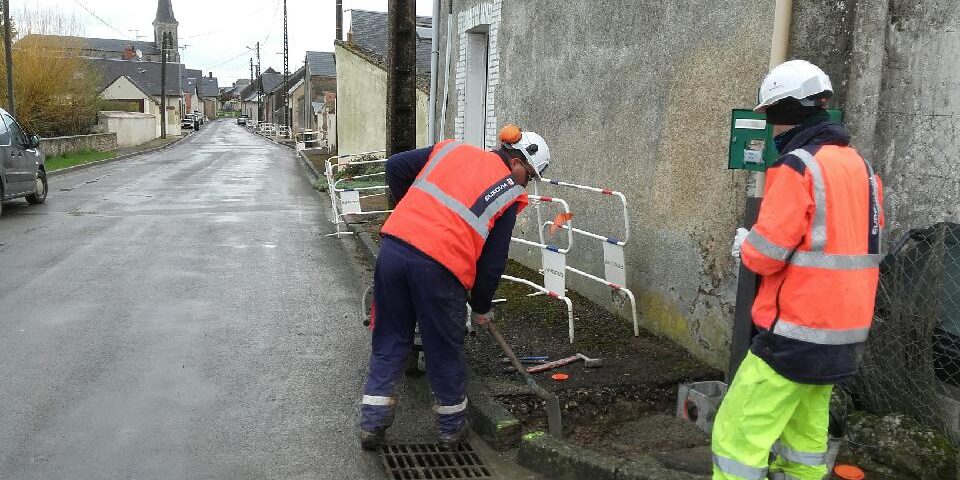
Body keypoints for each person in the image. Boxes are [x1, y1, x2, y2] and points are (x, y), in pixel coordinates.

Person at [713, 60, 885, 480]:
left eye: (769, 114)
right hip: (842, 334)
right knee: (805, 440)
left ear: (780, 111)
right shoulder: (862, 170)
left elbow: (766, 255)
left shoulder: (797, 167)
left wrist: (746, 245)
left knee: (737, 437)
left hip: (793, 331)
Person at [358, 125, 551, 451]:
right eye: (529, 176)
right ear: (518, 162)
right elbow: (492, 262)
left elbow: (394, 166)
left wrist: (410, 211)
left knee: (390, 336)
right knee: (444, 348)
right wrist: (480, 307)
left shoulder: (451, 149)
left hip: (394, 249)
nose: (526, 184)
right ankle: (450, 430)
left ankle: (371, 426)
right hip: (441, 266)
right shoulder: (507, 191)